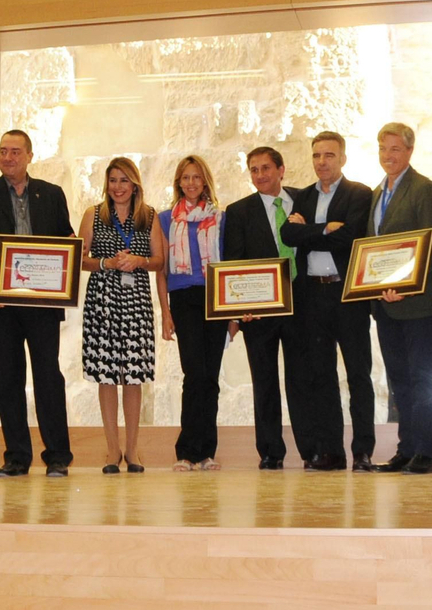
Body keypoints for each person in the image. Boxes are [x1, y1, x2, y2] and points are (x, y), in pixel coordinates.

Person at [0, 130, 76, 478]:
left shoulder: (52, 194)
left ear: (29, 155)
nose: (8, 158)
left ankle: (57, 456)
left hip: (41, 304)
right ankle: (16, 456)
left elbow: (65, 238)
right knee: (7, 379)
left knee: (48, 377)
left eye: (15, 152)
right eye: (3, 151)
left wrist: (73, 251)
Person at [281, 131, 375, 471]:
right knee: (320, 375)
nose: (322, 162)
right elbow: (288, 235)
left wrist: (311, 231)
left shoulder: (359, 193)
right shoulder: (302, 196)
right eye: (317, 156)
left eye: (329, 155)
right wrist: (323, 230)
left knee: (358, 374)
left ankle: (362, 451)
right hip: (312, 296)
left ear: (343, 159)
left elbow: (351, 238)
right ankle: (330, 451)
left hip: (346, 295)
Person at [223, 146, 316, 469]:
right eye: (254, 170)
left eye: (265, 168)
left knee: (302, 380)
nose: (260, 175)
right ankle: (271, 452)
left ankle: (310, 450)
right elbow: (234, 263)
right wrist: (240, 308)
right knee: (264, 381)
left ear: (281, 170)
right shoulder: (238, 212)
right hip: (259, 311)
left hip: (301, 305)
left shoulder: (305, 201)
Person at [366, 123, 432, 475]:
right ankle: (406, 449)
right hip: (385, 303)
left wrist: (405, 285)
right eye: (384, 149)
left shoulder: (425, 189)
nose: (389, 155)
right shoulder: (376, 192)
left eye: (396, 149)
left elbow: (429, 247)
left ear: (410, 151)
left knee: (422, 377)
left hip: (419, 303)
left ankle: (426, 452)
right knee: (399, 378)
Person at [79, 156, 163, 474]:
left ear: (135, 184)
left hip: (136, 303)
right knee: (106, 375)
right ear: (106, 184)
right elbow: (79, 258)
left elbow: (159, 261)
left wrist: (139, 260)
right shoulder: (93, 215)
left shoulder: (150, 216)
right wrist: (106, 263)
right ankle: (111, 450)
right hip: (102, 301)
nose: (118, 187)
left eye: (124, 180)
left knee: (133, 375)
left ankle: (132, 449)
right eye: (113, 180)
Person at [156, 155, 229, 471]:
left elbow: (229, 268)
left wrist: (234, 315)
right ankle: (186, 451)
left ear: (205, 181)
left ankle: (207, 451)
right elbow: (160, 270)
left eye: (196, 177)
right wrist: (165, 312)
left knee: (210, 377)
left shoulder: (222, 219)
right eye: (185, 177)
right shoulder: (164, 219)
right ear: (178, 182)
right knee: (194, 374)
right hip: (183, 300)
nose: (190, 183)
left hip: (215, 299)